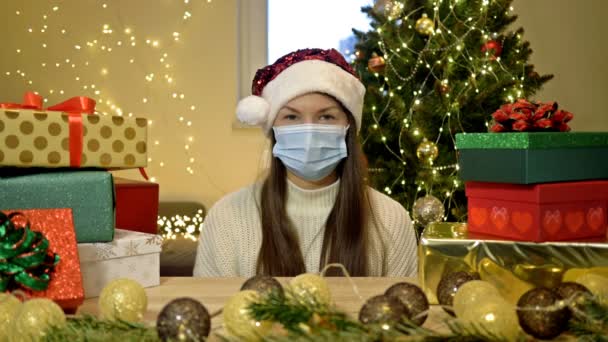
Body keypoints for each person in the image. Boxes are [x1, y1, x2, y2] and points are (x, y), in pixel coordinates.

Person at [193, 48, 417, 277]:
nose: (309, 131)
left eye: (326, 116)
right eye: (291, 117)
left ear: (348, 127)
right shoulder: (226, 217)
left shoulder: (390, 218)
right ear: (273, 130)